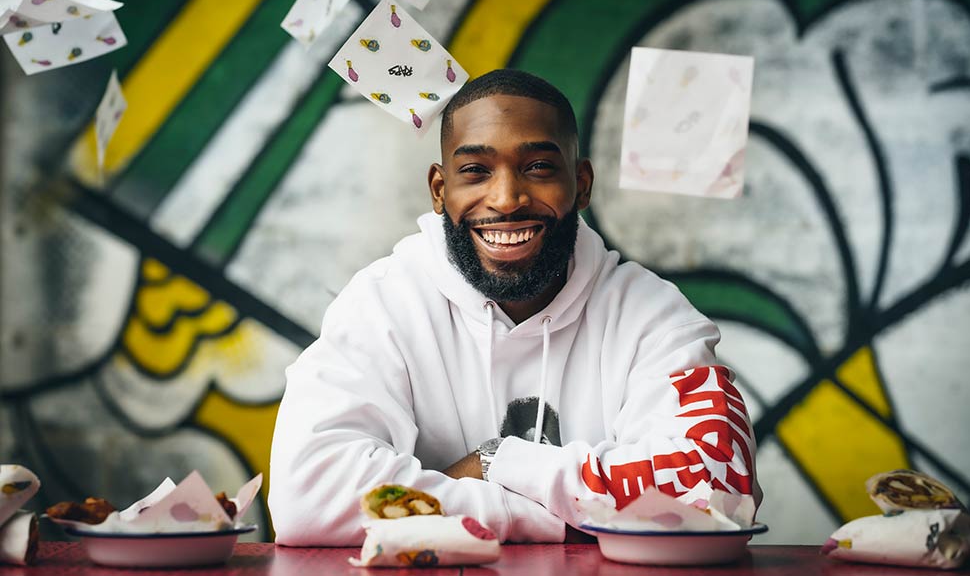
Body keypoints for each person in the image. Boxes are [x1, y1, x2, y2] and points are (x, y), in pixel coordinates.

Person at [268, 69, 760, 546]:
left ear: (581, 184)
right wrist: (554, 519)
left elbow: (716, 493)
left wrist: (496, 461)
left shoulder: (652, 315)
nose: (506, 200)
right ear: (441, 190)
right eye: (475, 171)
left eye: (539, 167)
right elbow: (307, 496)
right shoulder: (383, 303)